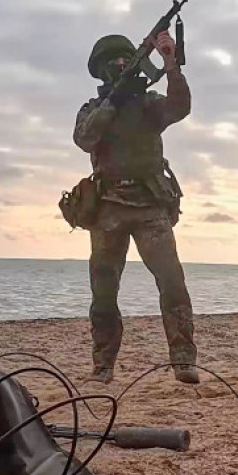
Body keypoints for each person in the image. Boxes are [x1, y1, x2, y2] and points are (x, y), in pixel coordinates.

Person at [73, 31, 198, 384]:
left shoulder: (149, 104)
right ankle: (103, 365)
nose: (121, 64)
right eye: (113, 62)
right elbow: (84, 139)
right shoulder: (94, 108)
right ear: (101, 71)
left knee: (172, 282)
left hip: (150, 207)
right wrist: (112, 102)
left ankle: (184, 360)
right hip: (107, 209)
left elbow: (181, 106)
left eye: (126, 59)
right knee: (104, 291)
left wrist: (170, 62)